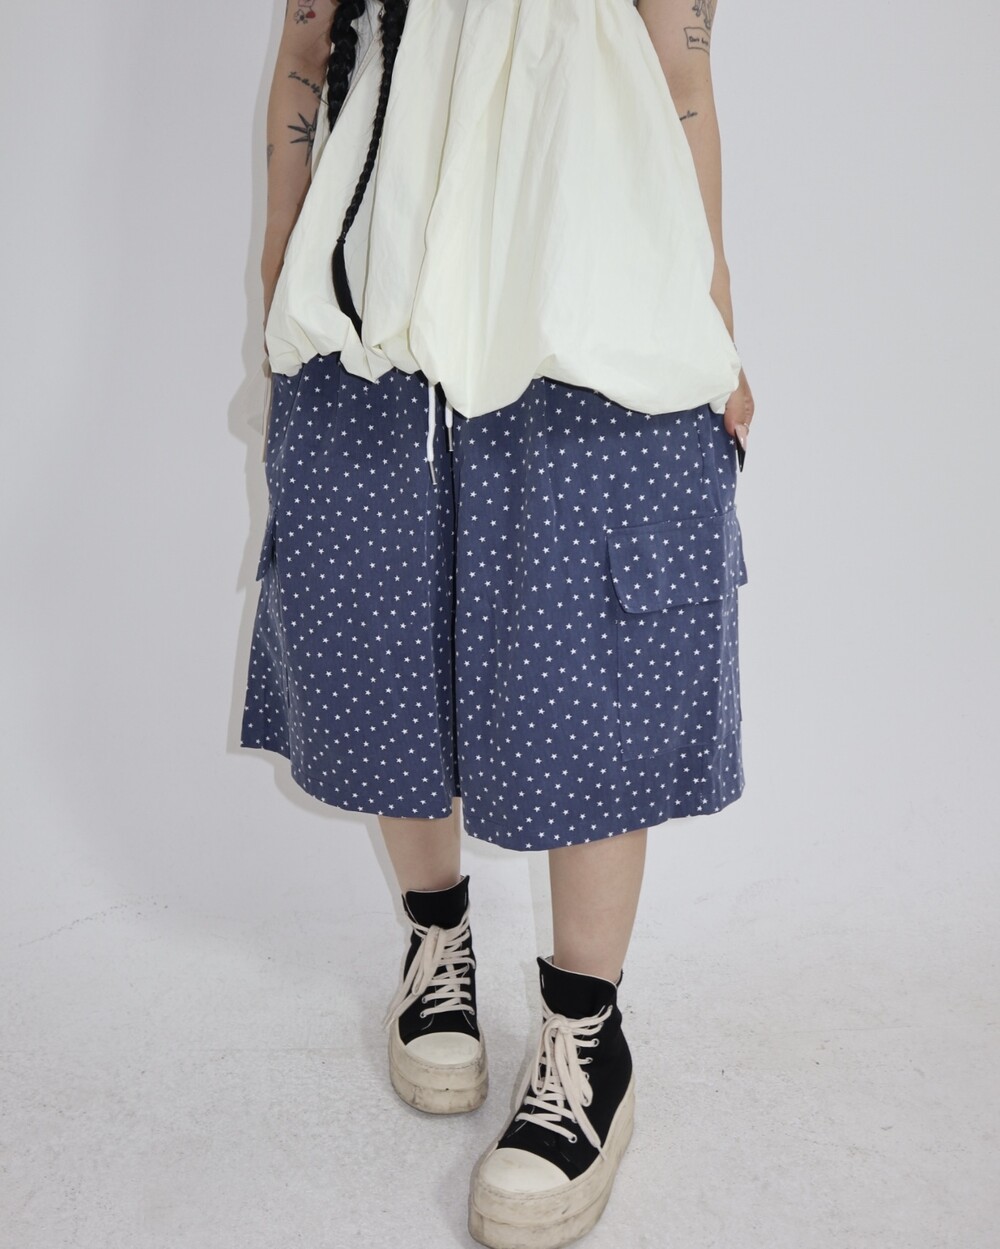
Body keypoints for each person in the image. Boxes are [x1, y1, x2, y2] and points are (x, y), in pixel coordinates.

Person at [241, 2, 755, 1246]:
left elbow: (679, 68)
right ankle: (437, 942)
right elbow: (308, 52)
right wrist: (277, 269)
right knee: (378, 630)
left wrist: (713, 304)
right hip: (375, 295)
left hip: (588, 291)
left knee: (593, 660)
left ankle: (585, 1034)